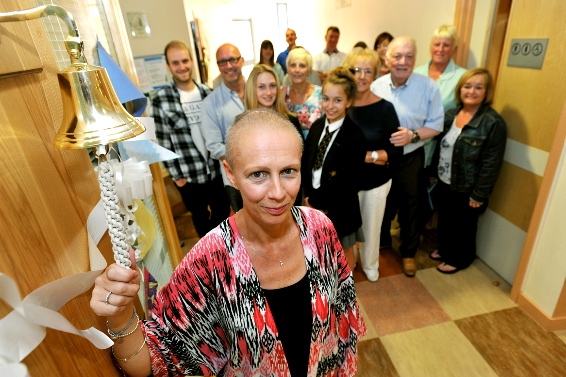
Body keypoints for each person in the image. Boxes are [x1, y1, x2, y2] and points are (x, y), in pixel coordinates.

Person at [90, 109, 367, 377]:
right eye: (258, 174)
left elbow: (341, 318)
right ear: (230, 173)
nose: (278, 192)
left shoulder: (319, 228)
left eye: (288, 171)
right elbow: (154, 362)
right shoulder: (210, 259)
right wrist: (120, 315)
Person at [370, 36, 444, 277]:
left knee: (411, 205)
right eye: (397, 56)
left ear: (415, 59)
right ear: (387, 58)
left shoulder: (428, 86)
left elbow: (437, 124)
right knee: (381, 201)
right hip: (383, 158)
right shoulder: (376, 86)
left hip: (412, 156)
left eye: (409, 56)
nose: (403, 62)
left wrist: (412, 135)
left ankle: (409, 253)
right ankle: (381, 243)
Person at [431, 68, 507, 274]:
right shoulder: (451, 115)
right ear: (460, 89)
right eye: (467, 86)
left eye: (478, 87)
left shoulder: (493, 123)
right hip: (445, 180)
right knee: (446, 219)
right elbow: (441, 147)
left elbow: (492, 164)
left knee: (463, 226)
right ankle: (446, 250)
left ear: (486, 92)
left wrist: (480, 193)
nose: (472, 91)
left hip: (468, 186)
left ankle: (460, 258)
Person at [152, 40, 230, 238]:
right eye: (175, 63)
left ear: (192, 62)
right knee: (200, 218)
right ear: (169, 66)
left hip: (214, 170)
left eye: (185, 61)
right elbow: (162, 142)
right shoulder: (161, 99)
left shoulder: (207, 93)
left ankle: (221, 247)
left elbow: (220, 132)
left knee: (222, 212)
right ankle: (211, 256)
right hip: (189, 176)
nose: (182, 67)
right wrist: (177, 177)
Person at [344, 48, 403, 282]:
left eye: (368, 71)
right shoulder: (342, 105)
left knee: (371, 228)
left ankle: (370, 265)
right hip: (347, 182)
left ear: (375, 75)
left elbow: (395, 151)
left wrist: (368, 156)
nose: (361, 76)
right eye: (356, 70)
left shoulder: (385, 108)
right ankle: (352, 260)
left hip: (375, 182)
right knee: (349, 228)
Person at [302, 67, 368, 260]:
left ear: (349, 101)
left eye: (338, 100)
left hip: (340, 209)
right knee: (318, 253)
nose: (330, 106)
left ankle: (345, 289)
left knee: (343, 255)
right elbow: (307, 164)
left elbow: (348, 182)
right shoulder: (317, 126)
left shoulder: (355, 137)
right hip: (312, 202)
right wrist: (309, 199)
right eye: (326, 98)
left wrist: (317, 202)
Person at [244, 64, 304, 205]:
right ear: (252, 90)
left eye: (272, 86)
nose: (269, 92)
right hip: (258, 194)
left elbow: (301, 162)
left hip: (289, 192)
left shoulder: (291, 121)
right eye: (262, 87)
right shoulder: (243, 126)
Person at [200, 43, 245, 212]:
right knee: (247, 231)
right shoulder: (210, 103)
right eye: (222, 62)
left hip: (267, 174)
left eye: (232, 60)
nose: (228, 66)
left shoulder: (259, 91)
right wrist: (246, 158)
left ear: (242, 61)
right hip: (235, 181)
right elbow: (214, 146)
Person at [414, 25, 468, 167]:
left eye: (446, 45)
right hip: (413, 143)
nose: (440, 49)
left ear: (454, 49)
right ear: (431, 47)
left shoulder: (462, 77)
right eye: (437, 44)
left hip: (443, 147)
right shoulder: (416, 73)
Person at [282, 47, 324, 138]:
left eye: (302, 66)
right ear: (288, 69)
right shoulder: (281, 94)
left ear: (309, 70)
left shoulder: (321, 94)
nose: (297, 70)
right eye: (293, 65)